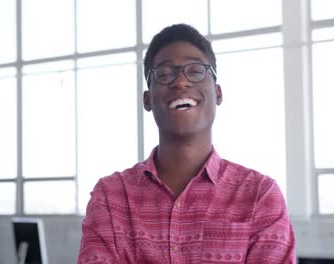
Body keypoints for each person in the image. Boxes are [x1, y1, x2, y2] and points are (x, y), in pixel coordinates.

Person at [78, 23, 296, 264]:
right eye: (164, 73)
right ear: (147, 99)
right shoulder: (111, 197)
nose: (180, 82)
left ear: (218, 92)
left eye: (195, 71)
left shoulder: (260, 196)